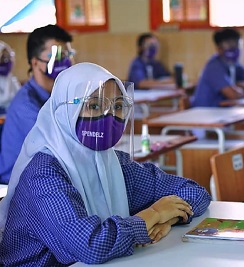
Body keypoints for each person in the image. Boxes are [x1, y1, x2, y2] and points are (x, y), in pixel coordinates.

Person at [0, 62, 211, 266]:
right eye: (93, 106)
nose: (109, 116)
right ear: (64, 112)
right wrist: (153, 214)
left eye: (118, 106)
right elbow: (90, 245)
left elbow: (195, 192)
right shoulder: (44, 174)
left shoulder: (115, 163)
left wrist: (169, 219)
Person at [0, 24, 74, 184]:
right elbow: (59, 148)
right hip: (14, 187)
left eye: (68, 54)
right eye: (58, 55)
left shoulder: (56, 96)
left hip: (43, 177)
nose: (66, 61)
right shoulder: (25, 105)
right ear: (35, 63)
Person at [191, 28, 244, 108]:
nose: (233, 49)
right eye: (228, 45)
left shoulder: (234, 64)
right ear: (219, 49)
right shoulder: (214, 66)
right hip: (205, 113)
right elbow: (234, 95)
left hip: (223, 112)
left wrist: (237, 85)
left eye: (236, 45)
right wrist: (241, 88)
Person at [0, 41, 20, 115]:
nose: (6, 61)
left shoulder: (12, 79)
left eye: (8, 58)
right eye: (3, 58)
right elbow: (3, 99)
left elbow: (19, 97)